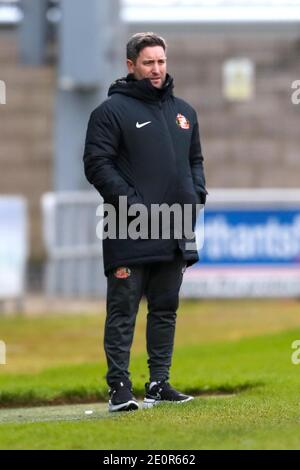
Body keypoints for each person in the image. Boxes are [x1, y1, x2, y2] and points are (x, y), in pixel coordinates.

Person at [83, 32, 207, 412]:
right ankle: (119, 389)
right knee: (123, 311)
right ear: (131, 65)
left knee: (166, 308)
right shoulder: (110, 112)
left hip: (175, 226)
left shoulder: (184, 111)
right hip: (129, 227)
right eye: (148, 62)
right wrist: (132, 204)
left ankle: (158, 383)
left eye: (161, 61)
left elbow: (195, 160)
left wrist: (196, 192)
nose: (156, 69)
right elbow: (96, 165)